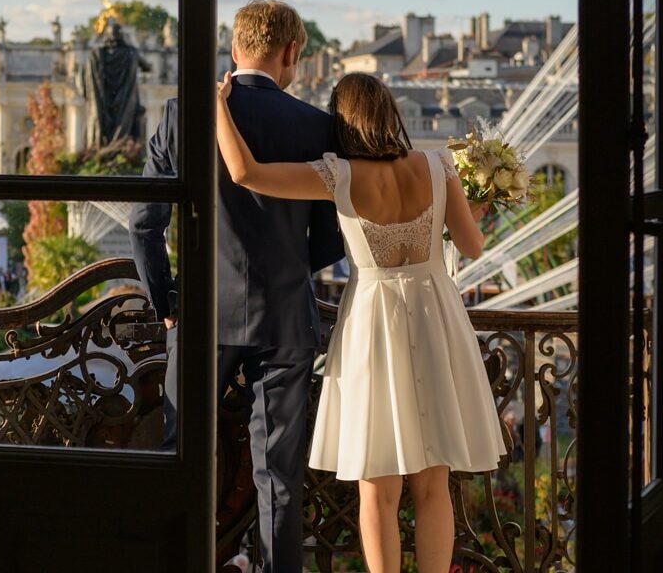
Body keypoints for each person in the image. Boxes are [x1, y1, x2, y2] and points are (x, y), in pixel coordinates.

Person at [213, 71, 508, 573]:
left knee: (378, 486)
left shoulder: (338, 175)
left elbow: (245, 172)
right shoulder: (439, 166)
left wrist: (216, 106)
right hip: (438, 319)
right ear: (391, 111)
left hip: (376, 325)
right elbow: (474, 245)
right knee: (435, 485)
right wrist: (468, 209)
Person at [130, 0, 344, 573]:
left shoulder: (181, 115)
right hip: (284, 320)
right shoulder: (316, 126)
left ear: (233, 48)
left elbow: (144, 223)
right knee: (279, 479)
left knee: (185, 464)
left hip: (204, 318)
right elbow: (329, 242)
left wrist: (168, 301)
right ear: (292, 52)